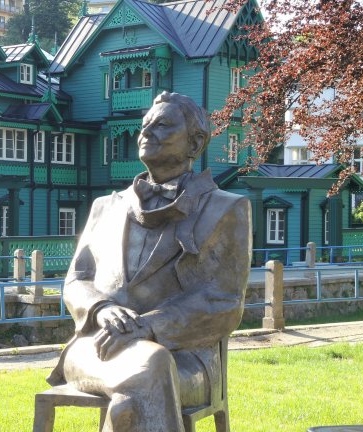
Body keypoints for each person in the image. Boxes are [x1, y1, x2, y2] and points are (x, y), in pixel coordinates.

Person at [47, 92, 251, 431]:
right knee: (148, 373)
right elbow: (76, 280)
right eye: (145, 125)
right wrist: (101, 309)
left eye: (163, 125)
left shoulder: (226, 208)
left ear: (195, 142)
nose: (146, 132)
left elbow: (225, 301)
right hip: (96, 348)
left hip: (185, 360)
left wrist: (150, 326)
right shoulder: (105, 207)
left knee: (148, 373)